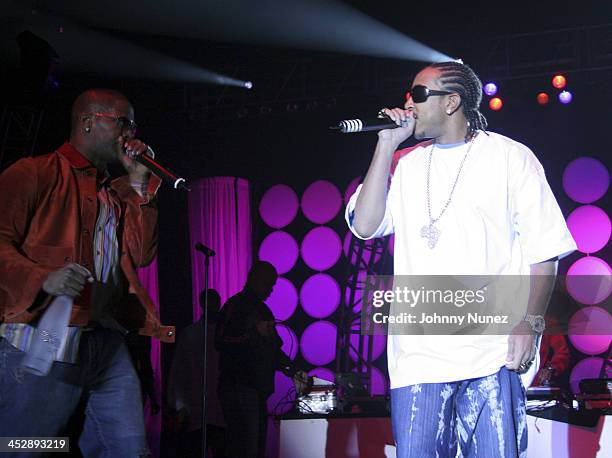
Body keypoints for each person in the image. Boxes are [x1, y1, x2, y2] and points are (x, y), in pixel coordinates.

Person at [345, 61, 576, 457]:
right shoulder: (405, 165)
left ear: (452, 102)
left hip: (491, 353)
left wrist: (531, 325)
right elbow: (365, 226)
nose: (408, 103)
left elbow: (545, 252)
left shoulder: (510, 158)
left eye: (418, 94)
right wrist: (386, 144)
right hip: (418, 358)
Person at [0, 88, 174, 457]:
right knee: (27, 447)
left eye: (134, 125)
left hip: (104, 340)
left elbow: (142, 255)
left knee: (129, 449)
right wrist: (41, 276)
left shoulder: (115, 194)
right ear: (88, 122)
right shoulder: (33, 173)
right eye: (123, 122)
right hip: (44, 338)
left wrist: (142, 186)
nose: (131, 134)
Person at [216, 261, 309, 458]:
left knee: (253, 448)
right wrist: (252, 333)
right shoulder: (236, 305)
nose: (271, 290)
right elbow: (220, 341)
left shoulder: (262, 310)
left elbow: (274, 350)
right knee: (245, 448)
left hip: (255, 389)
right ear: (256, 280)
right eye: (269, 284)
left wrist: (293, 372)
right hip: (239, 386)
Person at [167, 288, 226, 458]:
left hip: (217, 409)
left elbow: (178, 372)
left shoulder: (221, 335)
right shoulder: (190, 334)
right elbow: (179, 372)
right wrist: (180, 405)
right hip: (197, 410)